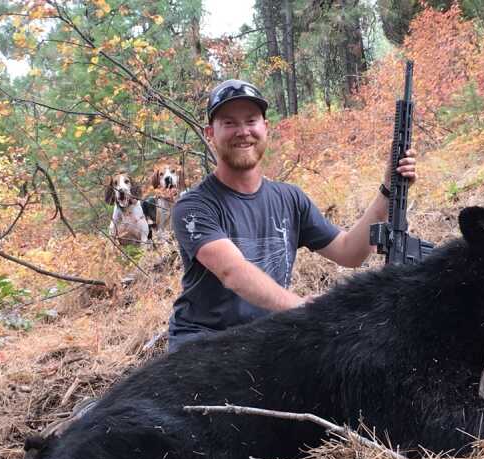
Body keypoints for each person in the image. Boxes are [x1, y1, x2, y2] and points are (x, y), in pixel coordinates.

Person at [167, 79, 417, 352]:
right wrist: (303, 308)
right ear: (210, 134)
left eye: (251, 121)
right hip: (202, 347)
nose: (243, 132)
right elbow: (232, 272)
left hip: (264, 342)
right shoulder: (193, 207)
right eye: (229, 123)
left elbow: (349, 252)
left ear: (265, 127)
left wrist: (387, 191)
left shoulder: (290, 199)